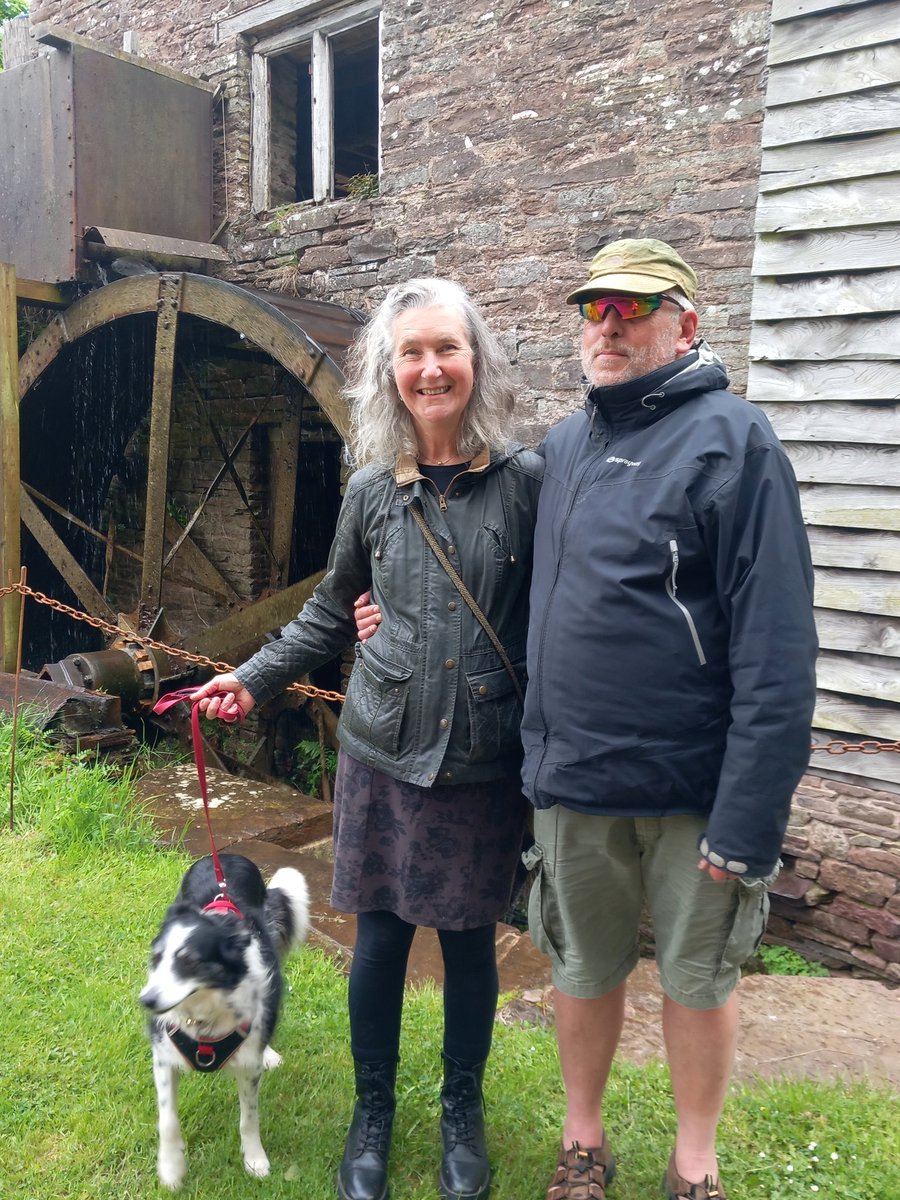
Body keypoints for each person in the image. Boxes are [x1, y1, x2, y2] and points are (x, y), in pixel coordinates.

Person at [355, 239, 818, 1200]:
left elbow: (776, 650)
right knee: (580, 968)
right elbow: (494, 584)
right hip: (573, 783)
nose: (609, 327)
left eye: (634, 310)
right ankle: (582, 1141)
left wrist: (749, 818)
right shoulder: (562, 450)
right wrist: (388, 617)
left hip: (693, 788)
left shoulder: (738, 441)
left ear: (685, 323)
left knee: (696, 981)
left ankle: (695, 1161)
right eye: (596, 311)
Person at [195, 277, 543, 1200]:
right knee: (382, 939)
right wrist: (251, 678)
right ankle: (373, 1113)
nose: (431, 369)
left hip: (480, 756)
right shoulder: (370, 493)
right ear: (390, 374)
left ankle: (460, 1110)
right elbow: (325, 614)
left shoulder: (527, 485)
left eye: (447, 349)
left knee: (470, 943)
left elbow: (553, 620)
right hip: (384, 748)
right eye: (412, 354)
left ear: (477, 361)